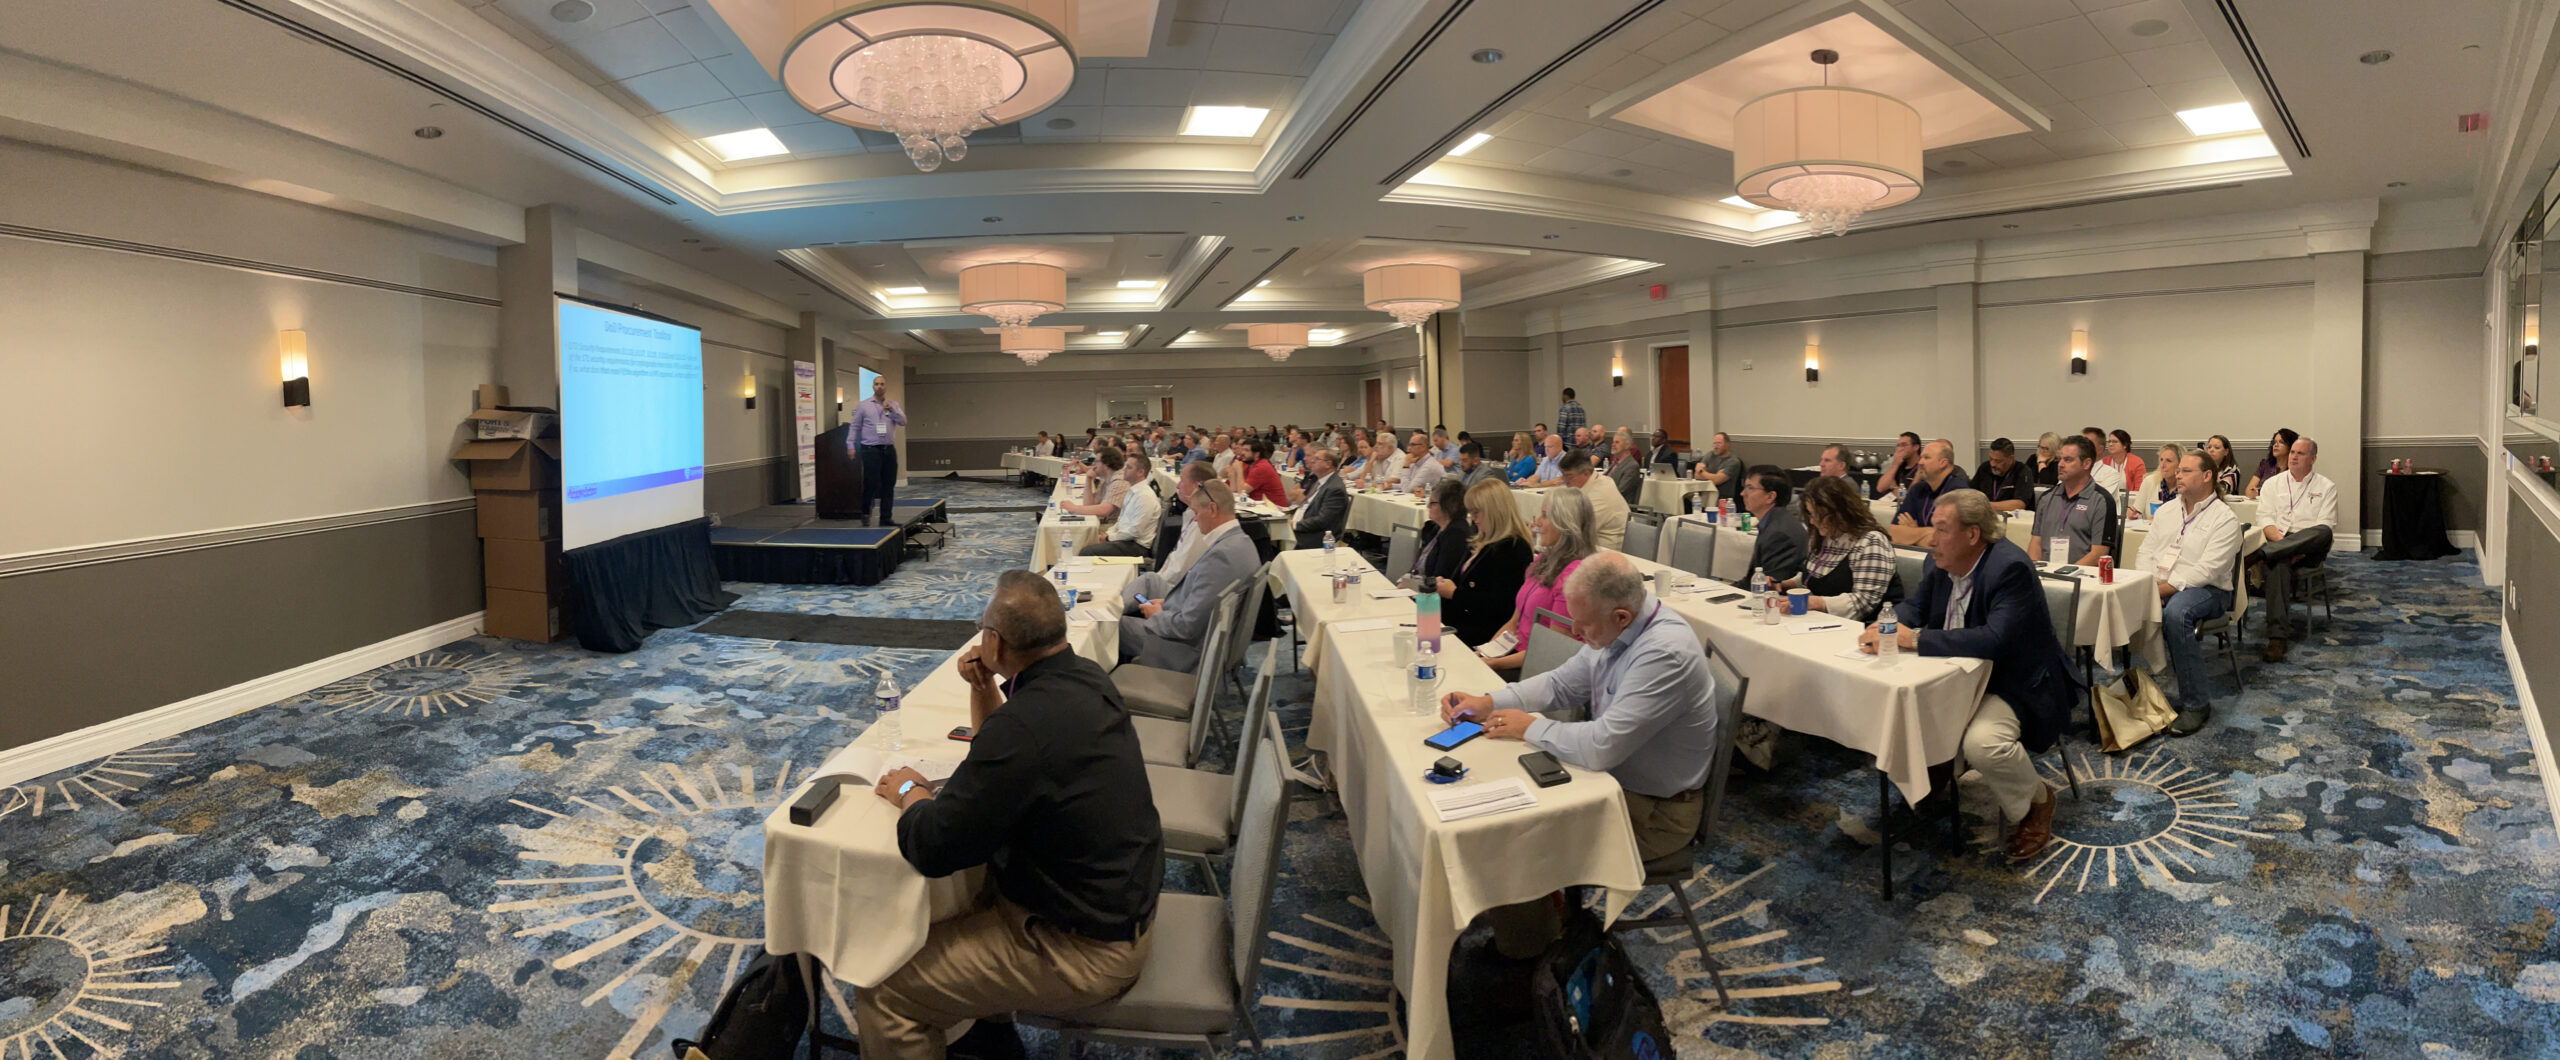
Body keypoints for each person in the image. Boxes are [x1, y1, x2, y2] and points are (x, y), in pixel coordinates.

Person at [855, 571, 1161, 1060]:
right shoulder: (1083, 677)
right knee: (968, 897)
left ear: (993, 641)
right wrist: (983, 686)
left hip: (1084, 951)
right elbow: (1007, 752)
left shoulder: (1024, 728)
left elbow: (933, 847)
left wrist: (911, 788)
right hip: (1118, 905)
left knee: (885, 990)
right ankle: (984, 1037)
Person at [1438, 552, 1722, 956]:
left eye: (1583, 624)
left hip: (1656, 812)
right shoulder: (1622, 627)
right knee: (1505, 809)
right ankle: (1541, 918)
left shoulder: (1663, 654)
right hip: (1619, 783)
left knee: (1513, 843)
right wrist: (1489, 700)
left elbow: (1600, 748)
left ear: (1621, 616)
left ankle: (1529, 960)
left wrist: (1529, 725)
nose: (1576, 631)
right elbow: (1561, 684)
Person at [1860, 489, 2080, 860]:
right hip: (1954, 677)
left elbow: (1994, 640)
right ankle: (1935, 778)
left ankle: (2036, 802)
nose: (1932, 539)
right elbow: (1916, 605)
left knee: (1983, 742)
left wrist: (1913, 638)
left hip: (2015, 682)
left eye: (1942, 530)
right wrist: (1885, 625)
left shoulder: (2010, 568)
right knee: (1899, 711)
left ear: (1973, 535)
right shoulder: (1941, 562)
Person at [2135, 453, 2246, 736]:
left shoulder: (2224, 519)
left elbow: (2207, 571)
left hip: (2209, 591)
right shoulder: (2167, 511)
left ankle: (2196, 704)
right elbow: (2145, 551)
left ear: (2207, 476)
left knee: (2177, 612)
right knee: (2120, 597)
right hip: (2162, 584)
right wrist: (2148, 585)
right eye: (2178, 471)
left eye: (2185, 471)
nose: (2177, 475)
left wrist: (2161, 591)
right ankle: (2138, 692)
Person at [1121, 481, 1256, 670]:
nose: (1194, 519)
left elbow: (1187, 627)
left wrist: (1157, 615)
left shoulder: (1222, 555)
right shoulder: (1241, 541)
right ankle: (1113, 607)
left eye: (1196, 513)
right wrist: (1168, 605)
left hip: (1187, 650)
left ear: (1213, 509)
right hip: (1197, 627)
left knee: (1111, 625)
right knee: (1150, 580)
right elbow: (1205, 601)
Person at [1485, 487, 1597, 672]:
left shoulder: (1574, 577)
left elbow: (1551, 650)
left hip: (1537, 669)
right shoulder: (1542, 560)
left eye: (1545, 516)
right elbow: (1514, 623)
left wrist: (1493, 663)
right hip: (1515, 655)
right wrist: (1486, 653)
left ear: (1565, 523)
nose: (1537, 522)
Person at [2252, 436, 2338, 662]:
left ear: (2313, 458)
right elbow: (2265, 520)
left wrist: (2293, 548)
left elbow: (2325, 526)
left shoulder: (2326, 486)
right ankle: (2277, 638)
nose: (2293, 457)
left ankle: (2263, 554)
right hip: (2280, 540)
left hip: (2310, 545)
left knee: (2323, 532)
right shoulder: (2273, 484)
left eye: (2300, 453)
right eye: (2292, 453)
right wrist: (2283, 545)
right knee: (2278, 563)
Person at [1780, 476, 1898, 621]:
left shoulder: (1871, 542)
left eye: (1817, 515)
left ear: (1839, 513)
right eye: (1810, 514)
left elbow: (1863, 602)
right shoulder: (1826, 537)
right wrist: (1784, 585)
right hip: (1823, 622)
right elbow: (1814, 576)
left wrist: (1815, 602)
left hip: (1863, 627)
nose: (1812, 521)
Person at [1435, 478, 1536, 647]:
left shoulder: (1514, 548)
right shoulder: (1480, 540)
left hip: (1482, 634)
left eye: (1476, 512)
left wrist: (1455, 593)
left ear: (1494, 511)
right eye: (1471, 512)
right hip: (1458, 622)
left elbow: (1501, 605)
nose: (1472, 518)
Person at [1122, 463, 1215, 609]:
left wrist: (1156, 582)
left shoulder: (1201, 524)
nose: (1177, 486)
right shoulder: (1190, 514)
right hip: (1169, 585)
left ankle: (1111, 616)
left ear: (1197, 486)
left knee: (1147, 581)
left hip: (1175, 594)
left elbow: (1180, 570)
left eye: (1182, 481)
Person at [2030, 436, 2117, 565]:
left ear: (2086, 464)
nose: (2060, 464)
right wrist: (2035, 574)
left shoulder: (2101, 501)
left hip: (2082, 579)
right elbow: (2035, 543)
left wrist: (2065, 576)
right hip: (2046, 575)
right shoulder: (2046, 498)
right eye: (2060, 459)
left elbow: (2099, 553)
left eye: (2068, 460)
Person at [847, 374, 907, 527]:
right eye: (876, 384)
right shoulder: (863, 405)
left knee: (888, 485)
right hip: (870, 450)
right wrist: (850, 445)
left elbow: (903, 421)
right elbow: (855, 426)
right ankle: (865, 513)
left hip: (888, 450)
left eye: (882, 384)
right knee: (871, 483)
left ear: (886, 387)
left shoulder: (893, 404)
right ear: (873, 387)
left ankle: (886, 517)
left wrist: (892, 410)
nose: (879, 386)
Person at [1886, 439, 1970, 547]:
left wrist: (1913, 532)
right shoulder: (1917, 490)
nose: (1920, 462)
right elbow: (1893, 533)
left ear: (1943, 463)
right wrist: (1927, 532)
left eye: (1926, 458)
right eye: (1921, 457)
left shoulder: (1958, 492)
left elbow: (1949, 541)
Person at [1079, 450, 1162, 558]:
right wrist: (1108, 534)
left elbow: (1134, 531)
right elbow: (1121, 522)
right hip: (1125, 540)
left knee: (1087, 551)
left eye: (1128, 467)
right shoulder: (1133, 491)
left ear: (1140, 472)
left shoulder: (1144, 496)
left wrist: (1109, 538)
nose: (1124, 470)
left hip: (1137, 546)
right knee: (1086, 540)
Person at [1733, 466, 1805, 584]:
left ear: (1770, 497)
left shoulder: (1779, 534)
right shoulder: (1776, 521)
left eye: (1750, 488)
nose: (1742, 493)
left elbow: (1767, 586)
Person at [1407, 478, 1474, 589]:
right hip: (1419, 587)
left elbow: (1441, 577)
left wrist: (1411, 585)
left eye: (1432, 503)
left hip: (1433, 597)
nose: (1428, 506)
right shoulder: (1437, 527)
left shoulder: (1456, 535)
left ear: (1448, 506)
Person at [1561, 451, 1627, 552]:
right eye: (1563, 476)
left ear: (1586, 473)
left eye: (1569, 476)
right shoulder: (1597, 480)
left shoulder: (1600, 495)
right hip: (1591, 545)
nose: (1565, 481)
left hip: (1607, 551)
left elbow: (1576, 532)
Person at [1290, 448, 1349, 540]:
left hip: (1314, 536)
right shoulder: (1318, 482)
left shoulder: (1335, 489)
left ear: (1328, 464)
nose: (1312, 461)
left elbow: (1323, 521)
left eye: (1317, 459)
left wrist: (1295, 525)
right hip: (1300, 526)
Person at [1060, 447, 1132, 521]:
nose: (1093, 464)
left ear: (1106, 464)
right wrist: (1088, 479)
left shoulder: (1119, 481)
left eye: (1096, 461)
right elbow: (1089, 505)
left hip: (1111, 527)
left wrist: (1074, 508)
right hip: (1103, 522)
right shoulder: (1105, 478)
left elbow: (1104, 510)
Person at [1971, 437, 2037, 513]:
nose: (1992, 464)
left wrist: (1985, 506)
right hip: (1986, 516)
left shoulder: (2023, 471)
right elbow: (1971, 492)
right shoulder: (1985, 468)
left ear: (2011, 459)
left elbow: (2019, 505)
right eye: (1991, 459)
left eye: (1998, 461)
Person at [1233, 439, 1289, 507]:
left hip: (1274, 510)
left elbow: (1241, 492)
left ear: (1257, 454)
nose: (1242, 453)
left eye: (1246, 450)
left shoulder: (1261, 467)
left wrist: (1239, 470)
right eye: (1242, 450)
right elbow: (1234, 488)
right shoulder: (1248, 464)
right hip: (1259, 506)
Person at [2245, 428, 2297, 499]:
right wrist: (2253, 492)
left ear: (2290, 446)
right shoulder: (2265, 465)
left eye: (2281, 442)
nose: (2276, 445)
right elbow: (2249, 490)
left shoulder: (2295, 468)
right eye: (2274, 442)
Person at [1874, 431, 1922, 498]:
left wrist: (1894, 488)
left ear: (1916, 447)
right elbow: (1880, 488)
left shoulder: (1922, 465)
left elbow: (1910, 498)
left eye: (1904, 445)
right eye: (1898, 445)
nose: (1900, 449)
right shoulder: (1899, 464)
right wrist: (1895, 465)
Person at [1606, 430, 1645, 507]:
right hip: (1607, 501)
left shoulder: (1632, 466)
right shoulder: (1615, 463)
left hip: (1619, 506)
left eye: (1617, 442)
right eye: (1613, 442)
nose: (1613, 445)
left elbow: (1621, 491)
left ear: (1627, 445)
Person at [2101, 430, 2147, 494]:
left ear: (2125, 445)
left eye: (2115, 441)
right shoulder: (2103, 462)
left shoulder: (2137, 462)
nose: (2110, 444)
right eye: (2109, 441)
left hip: (2131, 501)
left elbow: (2139, 490)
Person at [2147, 443, 2185, 507]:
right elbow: (2136, 510)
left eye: (2168, 461)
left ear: (2180, 464)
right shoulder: (2149, 482)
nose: (2162, 465)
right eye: (2161, 460)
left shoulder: (2187, 488)